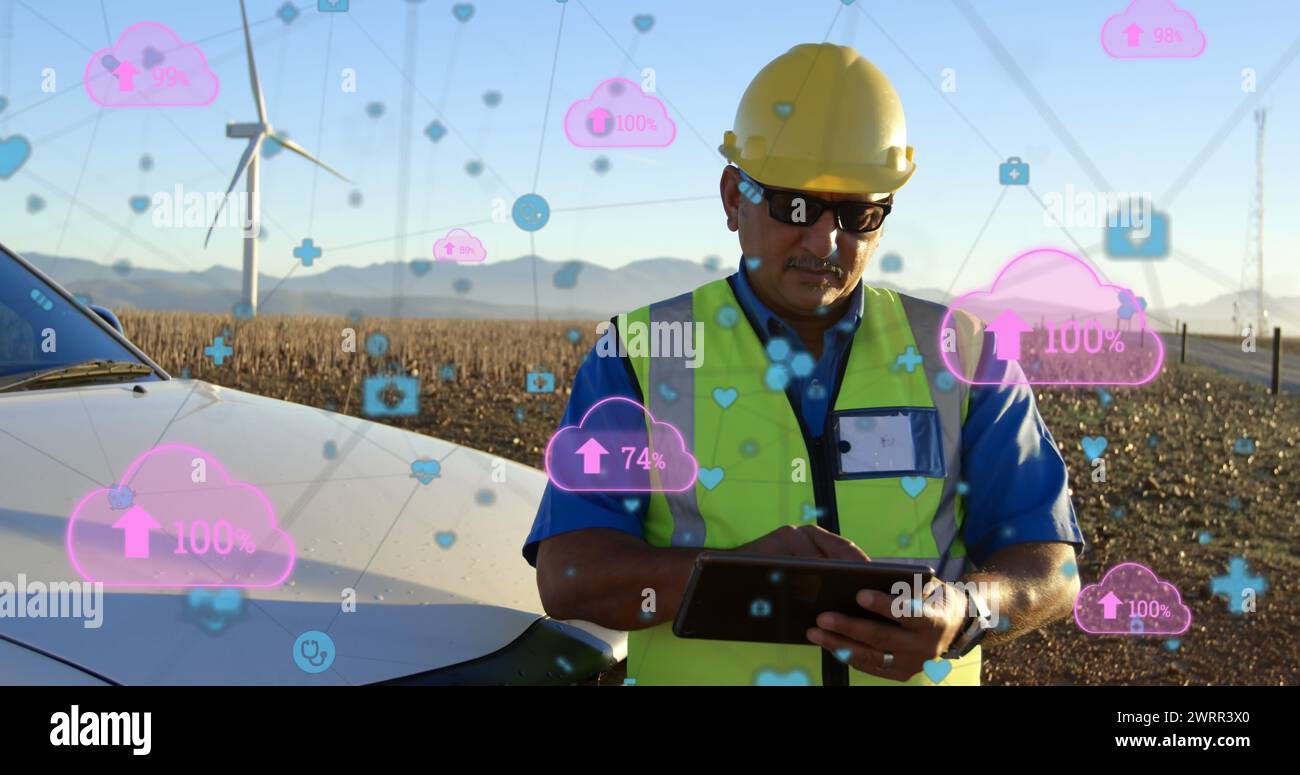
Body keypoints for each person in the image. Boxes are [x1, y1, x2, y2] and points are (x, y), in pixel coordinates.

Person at [524, 43, 1083, 685]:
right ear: (735, 196)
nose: (825, 241)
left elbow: (1052, 568)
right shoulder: (637, 355)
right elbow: (570, 575)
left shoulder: (966, 355)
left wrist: (967, 612)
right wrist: (733, 577)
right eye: (795, 207)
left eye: (857, 214)